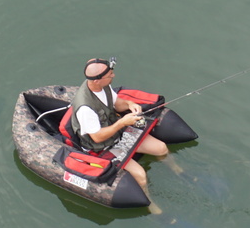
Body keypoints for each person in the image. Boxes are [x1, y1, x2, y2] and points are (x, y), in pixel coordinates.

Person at [69, 57, 180, 212]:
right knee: (140, 175)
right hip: (103, 146)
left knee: (160, 148)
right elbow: (97, 137)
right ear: (96, 80)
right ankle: (150, 205)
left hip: (116, 133)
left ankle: (177, 170)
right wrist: (122, 123)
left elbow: (116, 103)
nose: (113, 76)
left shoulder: (103, 86)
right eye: (109, 75)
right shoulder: (85, 108)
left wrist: (130, 104)